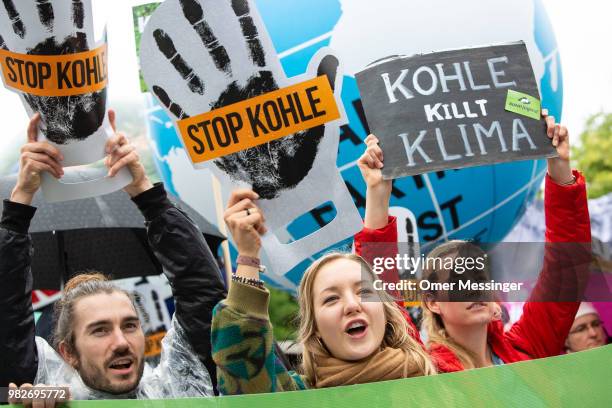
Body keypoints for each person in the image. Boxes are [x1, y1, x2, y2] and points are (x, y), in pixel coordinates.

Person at [0, 111, 227, 401]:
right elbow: (7, 322)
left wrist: (144, 191)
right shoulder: (52, 396)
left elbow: (203, 295)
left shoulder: (171, 391)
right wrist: (20, 203)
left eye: (130, 325)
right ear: (68, 353)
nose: (121, 342)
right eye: (99, 330)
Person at [357, 110, 592, 371]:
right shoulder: (424, 371)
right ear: (433, 303)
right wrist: (377, 194)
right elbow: (382, 299)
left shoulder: (526, 348)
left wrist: (560, 170)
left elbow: (566, 271)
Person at [210, 190, 436, 394]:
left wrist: (378, 190)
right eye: (331, 299)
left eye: (364, 291)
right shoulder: (301, 397)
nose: (352, 305)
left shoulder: (438, 380)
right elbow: (245, 374)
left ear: (386, 314)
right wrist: (249, 255)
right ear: (315, 328)